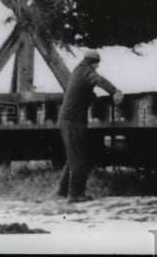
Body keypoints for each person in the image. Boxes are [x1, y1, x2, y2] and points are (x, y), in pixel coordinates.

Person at [56, 50, 122, 203]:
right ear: (95, 62)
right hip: (73, 121)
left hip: (69, 120)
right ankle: (75, 195)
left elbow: (84, 92)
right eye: (97, 64)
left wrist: (95, 100)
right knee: (79, 159)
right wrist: (115, 91)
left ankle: (62, 190)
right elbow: (100, 80)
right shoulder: (87, 71)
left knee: (73, 157)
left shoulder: (78, 71)